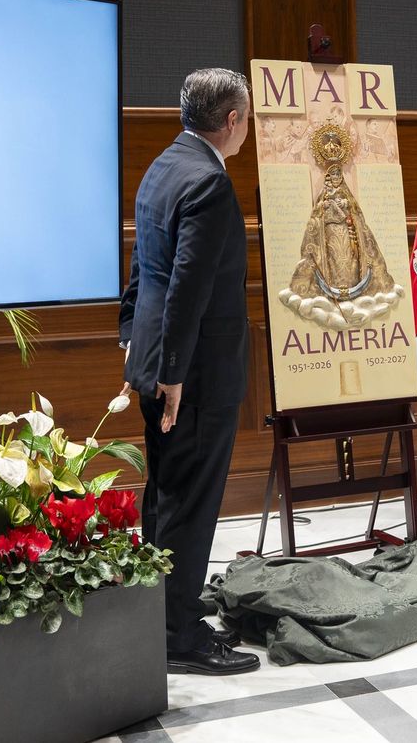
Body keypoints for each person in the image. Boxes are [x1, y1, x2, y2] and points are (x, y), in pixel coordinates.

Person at [118, 67, 258, 675]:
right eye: (246, 119)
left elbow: (140, 266)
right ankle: (179, 637)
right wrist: (173, 373)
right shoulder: (208, 183)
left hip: (156, 357)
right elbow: (188, 287)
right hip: (193, 374)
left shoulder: (162, 166)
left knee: (168, 491)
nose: (246, 129)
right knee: (190, 501)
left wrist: (133, 340)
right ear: (231, 121)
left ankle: (163, 608)